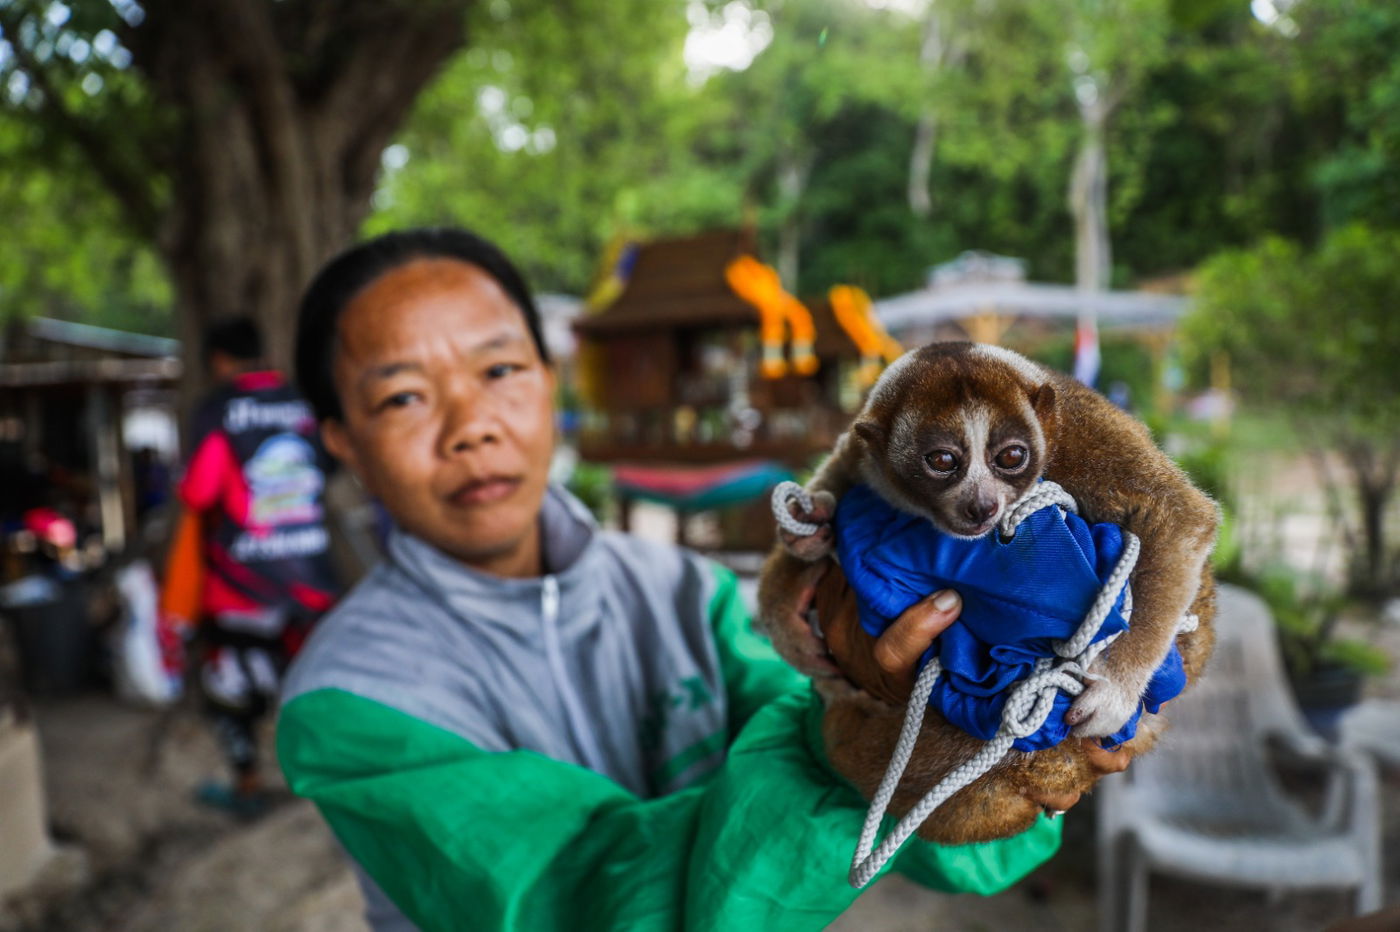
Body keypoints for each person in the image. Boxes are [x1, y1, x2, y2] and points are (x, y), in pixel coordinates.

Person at [276, 228, 1130, 931]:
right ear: (342, 440)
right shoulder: (350, 705)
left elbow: (960, 850)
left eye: (499, 371)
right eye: (401, 399)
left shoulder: (681, 590)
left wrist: (1006, 728)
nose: (471, 428)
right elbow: (580, 899)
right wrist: (861, 730)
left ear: (548, 380)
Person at [167, 316, 340, 816]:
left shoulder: (219, 409)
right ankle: (329, 779)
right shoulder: (302, 403)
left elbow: (198, 490)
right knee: (309, 678)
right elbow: (327, 468)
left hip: (243, 581)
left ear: (218, 360)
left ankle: (248, 787)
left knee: (229, 689)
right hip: (310, 574)